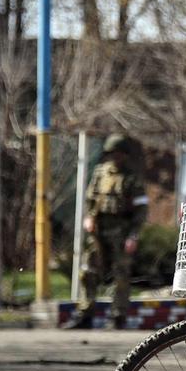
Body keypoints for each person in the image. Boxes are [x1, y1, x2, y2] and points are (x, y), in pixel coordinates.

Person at [63, 133, 148, 330]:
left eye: (119, 154)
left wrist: (133, 235)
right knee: (88, 271)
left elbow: (141, 210)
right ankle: (85, 313)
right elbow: (90, 199)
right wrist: (89, 218)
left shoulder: (132, 178)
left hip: (121, 232)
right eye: (112, 153)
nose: (115, 157)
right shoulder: (100, 173)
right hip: (98, 232)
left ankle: (118, 316)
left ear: (125, 155)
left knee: (121, 275)